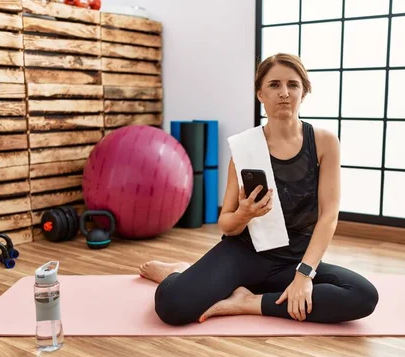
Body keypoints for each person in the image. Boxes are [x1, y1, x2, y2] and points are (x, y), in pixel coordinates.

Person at [139, 53, 379, 326]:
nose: (284, 93)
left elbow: (329, 216)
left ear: (304, 91)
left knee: (362, 295)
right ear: (260, 94)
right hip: (243, 255)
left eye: (293, 85)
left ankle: (249, 302)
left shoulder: (324, 143)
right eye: (274, 85)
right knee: (172, 307)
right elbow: (227, 226)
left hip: (293, 260)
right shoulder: (244, 147)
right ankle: (180, 271)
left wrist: (304, 275)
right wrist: (245, 213)